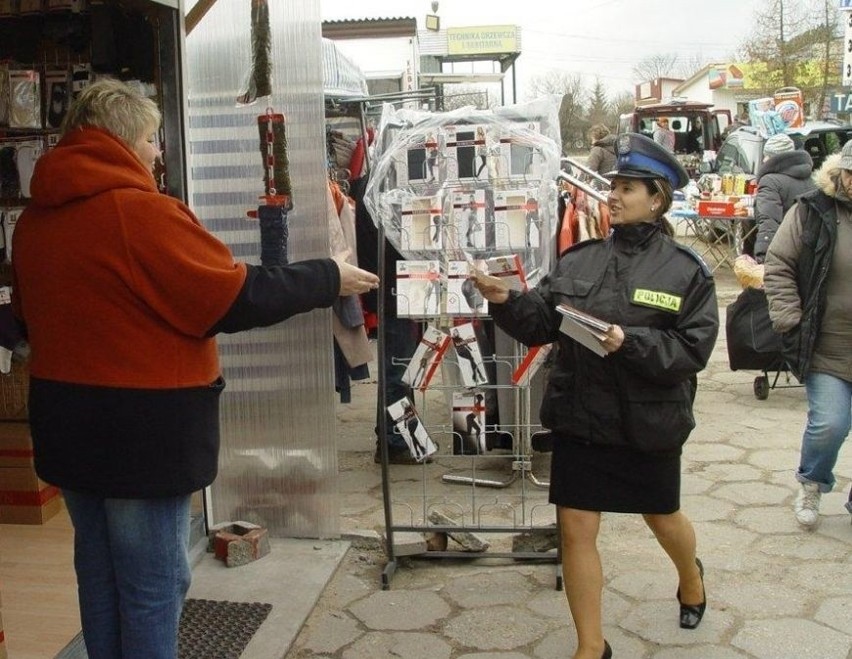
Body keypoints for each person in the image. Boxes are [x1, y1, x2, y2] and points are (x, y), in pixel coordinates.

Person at [10, 78, 380, 659]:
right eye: (154, 138)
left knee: (101, 578)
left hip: (68, 428)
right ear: (125, 139)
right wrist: (329, 277)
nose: (159, 153)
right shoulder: (140, 214)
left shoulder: (34, 222)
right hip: (139, 437)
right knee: (154, 587)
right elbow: (233, 296)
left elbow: (31, 322)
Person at [471, 133, 719, 659]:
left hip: (647, 422)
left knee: (662, 516)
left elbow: (691, 350)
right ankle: (591, 647)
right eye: (614, 186)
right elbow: (542, 322)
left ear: (657, 198)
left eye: (627, 187)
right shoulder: (578, 259)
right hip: (582, 416)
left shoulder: (686, 270)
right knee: (576, 529)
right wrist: (505, 300)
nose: (614, 195)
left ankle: (690, 577)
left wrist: (630, 342)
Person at [763, 141, 852, 529]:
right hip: (827, 345)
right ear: (840, 173)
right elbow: (779, 262)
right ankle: (812, 483)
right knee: (830, 423)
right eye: (851, 173)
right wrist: (788, 317)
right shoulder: (813, 210)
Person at [752, 133, 816, 263]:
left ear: (775, 158)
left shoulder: (770, 181)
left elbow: (769, 221)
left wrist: (763, 257)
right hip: (811, 250)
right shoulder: (813, 179)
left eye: (767, 155)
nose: (764, 160)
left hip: (783, 251)